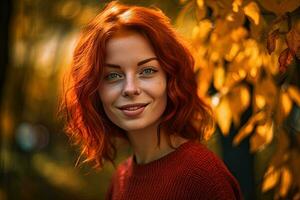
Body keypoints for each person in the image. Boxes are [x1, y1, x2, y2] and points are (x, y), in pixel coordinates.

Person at [61, 1, 243, 199]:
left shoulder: (201, 174)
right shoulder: (119, 180)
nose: (130, 89)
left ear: (170, 78)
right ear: (95, 90)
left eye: (147, 71)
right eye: (113, 75)